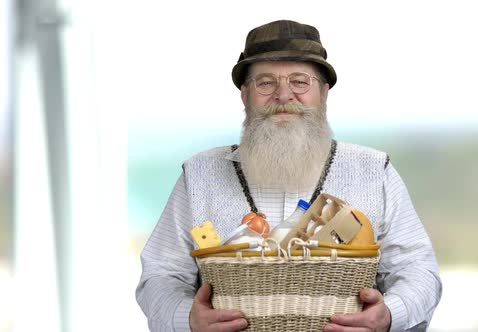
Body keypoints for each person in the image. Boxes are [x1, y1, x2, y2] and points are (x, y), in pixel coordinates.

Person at [136, 19, 442, 332]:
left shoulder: (375, 171)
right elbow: (160, 275)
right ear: (245, 96)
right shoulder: (199, 174)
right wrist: (187, 317)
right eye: (265, 83)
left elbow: (418, 270)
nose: (284, 95)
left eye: (300, 82)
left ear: (323, 93)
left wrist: (388, 315)